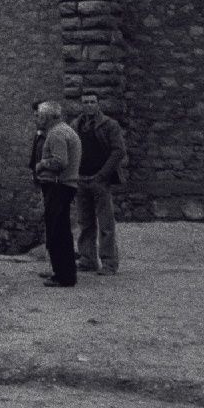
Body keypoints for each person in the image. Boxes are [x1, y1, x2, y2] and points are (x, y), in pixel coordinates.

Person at [73, 92, 127, 275]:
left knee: (106, 223)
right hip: (81, 180)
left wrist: (103, 175)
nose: (89, 105)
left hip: (100, 181)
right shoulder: (76, 125)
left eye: (92, 102)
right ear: (82, 105)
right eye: (86, 102)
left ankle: (109, 263)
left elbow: (118, 151)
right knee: (85, 222)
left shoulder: (109, 125)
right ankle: (87, 260)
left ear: (98, 104)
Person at [33, 100, 82, 287]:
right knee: (62, 231)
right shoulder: (65, 130)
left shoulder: (56, 134)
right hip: (65, 185)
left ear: (47, 116)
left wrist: (41, 164)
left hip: (58, 186)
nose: (38, 119)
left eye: (40, 115)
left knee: (57, 232)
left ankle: (63, 276)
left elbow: (60, 161)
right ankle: (64, 272)